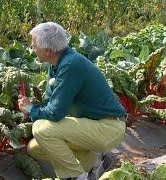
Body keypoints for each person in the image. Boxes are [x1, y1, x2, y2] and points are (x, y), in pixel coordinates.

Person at [18, 22, 126, 180]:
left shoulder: (71, 64)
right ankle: (95, 161)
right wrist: (32, 107)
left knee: (41, 129)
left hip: (108, 127)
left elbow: (55, 113)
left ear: (47, 51)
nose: (31, 47)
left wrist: (30, 110)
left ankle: (75, 177)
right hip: (91, 126)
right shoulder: (56, 64)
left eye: (33, 45)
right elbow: (50, 104)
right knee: (35, 147)